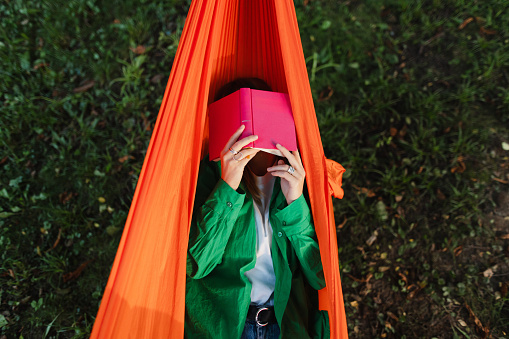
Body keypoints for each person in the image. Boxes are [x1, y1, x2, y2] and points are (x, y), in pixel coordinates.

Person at [185, 78, 330, 338]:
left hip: (284, 326)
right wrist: (227, 186)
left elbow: (320, 275)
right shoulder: (207, 178)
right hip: (227, 326)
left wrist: (295, 202)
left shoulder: (298, 178)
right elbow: (198, 265)